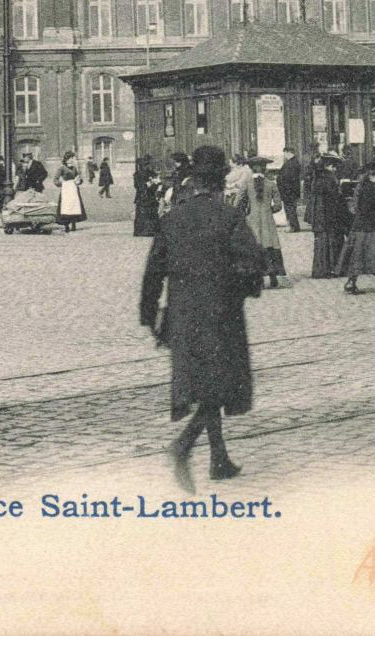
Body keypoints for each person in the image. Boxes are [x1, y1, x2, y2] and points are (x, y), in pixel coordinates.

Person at [139, 145, 265, 492]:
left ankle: (219, 459)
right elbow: (254, 264)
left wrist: (151, 318)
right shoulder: (229, 218)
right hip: (222, 315)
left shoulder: (172, 219)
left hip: (181, 314)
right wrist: (242, 289)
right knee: (219, 385)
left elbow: (153, 273)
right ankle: (183, 444)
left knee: (205, 382)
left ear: (194, 181)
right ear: (221, 180)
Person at [339, 164, 375, 295]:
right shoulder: (370, 189)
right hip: (371, 228)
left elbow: (357, 207)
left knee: (357, 256)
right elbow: (370, 210)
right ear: (371, 176)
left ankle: (351, 282)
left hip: (359, 227)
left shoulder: (361, 187)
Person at [240, 157, 286, 289]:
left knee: (254, 247)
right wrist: (269, 210)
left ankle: (256, 279)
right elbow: (278, 205)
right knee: (270, 246)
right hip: (268, 222)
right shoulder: (271, 184)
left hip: (252, 220)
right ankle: (273, 277)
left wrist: (245, 212)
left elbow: (239, 202)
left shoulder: (247, 183)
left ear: (250, 169)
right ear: (265, 169)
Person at [307, 153, 347, 279]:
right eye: (334, 167)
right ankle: (332, 268)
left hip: (318, 216)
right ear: (329, 166)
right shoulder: (329, 179)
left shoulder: (318, 178)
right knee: (331, 242)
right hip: (328, 215)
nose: (335, 169)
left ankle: (320, 270)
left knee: (321, 243)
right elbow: (333, 200)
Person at [55, 153, 88, 232]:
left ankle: (73, 224)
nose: (72, 160)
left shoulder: (74, 168)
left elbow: (78, 178)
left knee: (74, 206)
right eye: (71, 158)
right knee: (66, 207)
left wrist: (79, 181)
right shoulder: (62, 168)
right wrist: (61, 183)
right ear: (67, 159)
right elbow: (55, 179)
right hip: (66, 189)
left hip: (73, 189)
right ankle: (66, 225)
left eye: (73, 158)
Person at [132, 155, 161, 237]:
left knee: (151, 213)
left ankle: (151, 230)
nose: (146, 167)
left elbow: (158, 182)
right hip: (142, 196)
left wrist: (155, 183)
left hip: (150, 195)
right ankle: (142, 231)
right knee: (142, 214)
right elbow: (138, 186)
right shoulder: (137, 174)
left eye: (146, 165)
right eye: (144, 165)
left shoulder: (151, 173)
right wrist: (149, 184)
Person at [276, 149, 302, 233]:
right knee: (291, 208)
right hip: (291, 190)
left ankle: (293, 226)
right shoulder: (294, 162)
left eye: (285, 153)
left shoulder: (291, 163)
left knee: (290, 208)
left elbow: (287, 177)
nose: (284, 155)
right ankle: (295, 225)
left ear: (289, 153)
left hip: (288, 190)